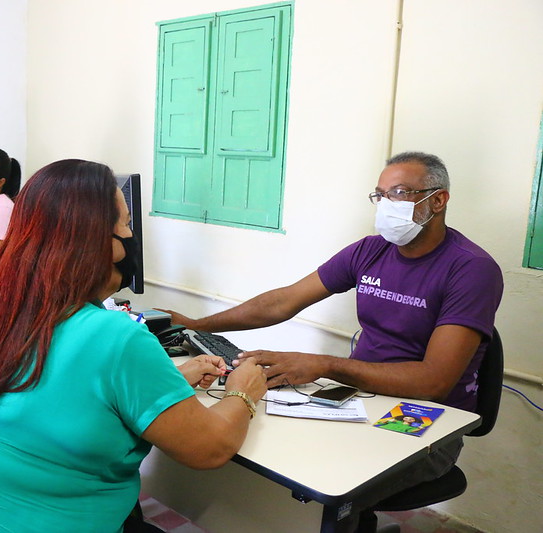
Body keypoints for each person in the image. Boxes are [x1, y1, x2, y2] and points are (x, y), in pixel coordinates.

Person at [0, 159, 267, 533]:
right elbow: (209, 448)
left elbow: (51, 392)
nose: (131, 237)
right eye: (125, 225)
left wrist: (168, 379)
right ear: (96, 243)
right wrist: (243, 392)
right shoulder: (117, 336)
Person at [161, 151, 503, 531]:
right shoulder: (370, 251)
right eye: (380, 195)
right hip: (359, 398)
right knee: (268, 446)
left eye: (401, 192)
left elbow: (433, 381)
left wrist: (324, 364)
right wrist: (199, 323)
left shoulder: (471, 269)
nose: (388, 205)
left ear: (438, 200)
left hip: (428, 423)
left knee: (327, 477)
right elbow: (282, 302)